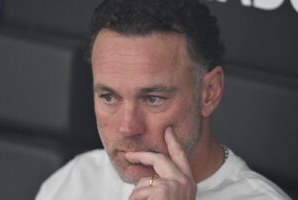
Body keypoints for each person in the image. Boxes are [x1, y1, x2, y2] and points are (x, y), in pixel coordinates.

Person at [36, 0, 291, 199]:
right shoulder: (74, 180)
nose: (128, 127)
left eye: (153, 99)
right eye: (109, 97)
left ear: (209, 92)